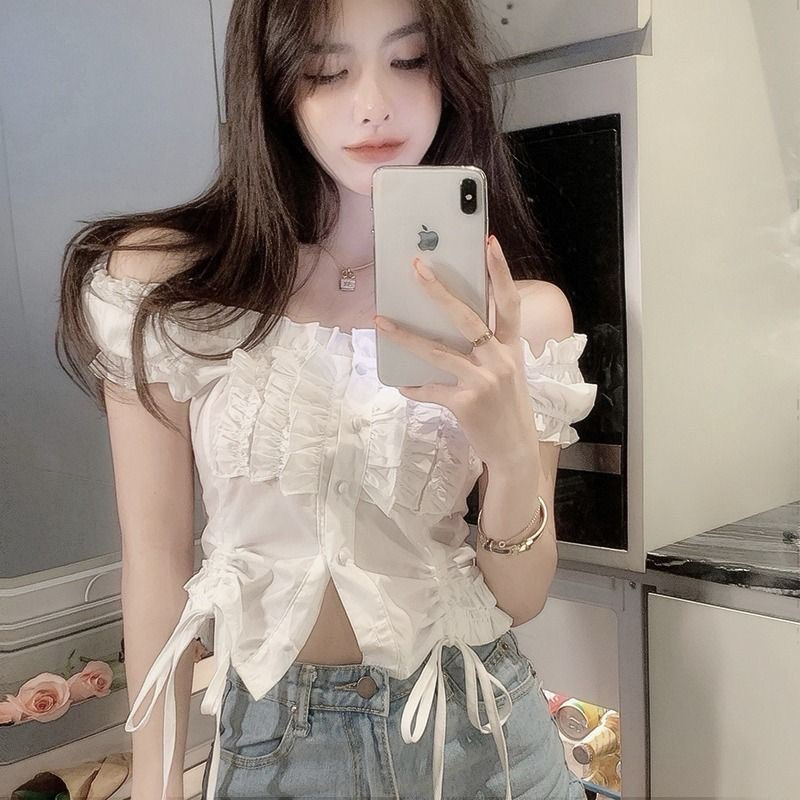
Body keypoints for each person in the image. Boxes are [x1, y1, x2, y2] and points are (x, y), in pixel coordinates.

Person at [56, 0, 598, 797]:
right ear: (276, 86)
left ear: (449, 74)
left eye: (409, 61)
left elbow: (519, 598)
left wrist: (511, 450)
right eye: (327, 70)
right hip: (275, 750)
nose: (374, 103)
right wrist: (156, 784)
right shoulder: (166, 292)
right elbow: (156, 561)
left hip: (480, 742)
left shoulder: (521, 316)